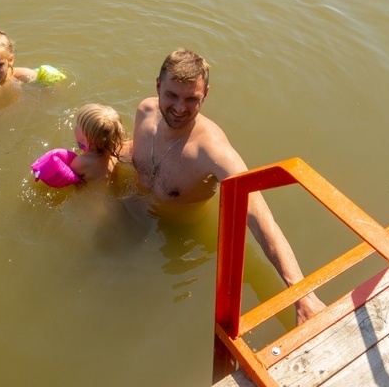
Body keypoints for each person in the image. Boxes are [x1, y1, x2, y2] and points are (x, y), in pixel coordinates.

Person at [130, 48, 325, 324]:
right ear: (158, 86)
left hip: (179, 243)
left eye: (191, 99)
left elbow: (260, 219)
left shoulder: (213, 153)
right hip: (132, 214)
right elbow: (133, 152)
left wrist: (303, 295)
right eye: (172, 95)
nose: (180, 108)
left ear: (205, 95)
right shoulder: (145, 111)